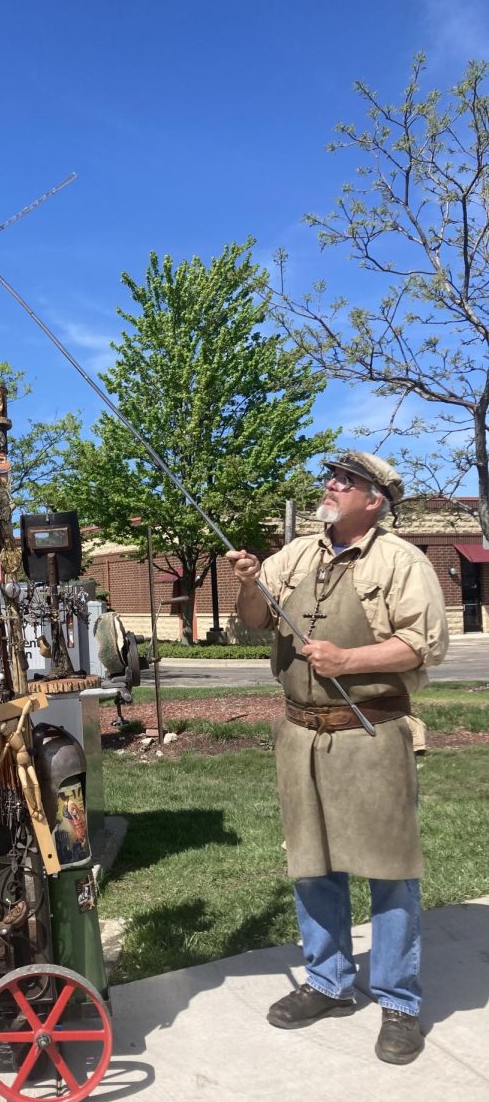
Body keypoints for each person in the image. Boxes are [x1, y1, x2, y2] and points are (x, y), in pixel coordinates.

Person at [226, 451, 448, 1065]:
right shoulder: (296, 554)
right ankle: (327, 982)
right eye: (334, 477)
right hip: (300, 735)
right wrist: (248, 582)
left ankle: (399, 1000)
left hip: (369, 732)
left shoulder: (402, 560)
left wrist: (350, 661)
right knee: (312, 865)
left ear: (374, 500)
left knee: (389, 869)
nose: (332, 485)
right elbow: (254, 622)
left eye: (345, 481)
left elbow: (422, 645)